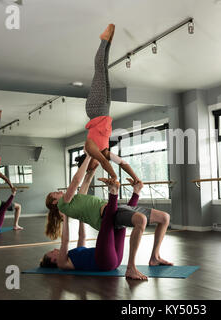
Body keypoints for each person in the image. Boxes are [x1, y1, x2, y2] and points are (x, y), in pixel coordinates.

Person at [43, 152, 172, 280]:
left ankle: (155, 256)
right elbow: (76, 180)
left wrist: (92, 168)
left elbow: (86, 181)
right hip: (106, 221)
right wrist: (88, 154)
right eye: (55, 193)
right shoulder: (63, 204)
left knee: (164, 218)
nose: (59, 191)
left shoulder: (74, 202)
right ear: (55, 202)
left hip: (113, 222)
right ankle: (114, 193)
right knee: (139, 219)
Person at [83, 24, 139, 183]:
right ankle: (107, 42)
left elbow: (104, 162)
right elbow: (122, 163)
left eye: (92, 166)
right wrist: (135, 178)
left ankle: (103, 41)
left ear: (88, 163)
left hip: (95, 110)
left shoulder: (90, 148)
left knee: (99, 71)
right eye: (94, 167)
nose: (95, 166)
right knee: (104, 71)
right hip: (104, 111)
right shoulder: (105, 152)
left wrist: (114, 177)